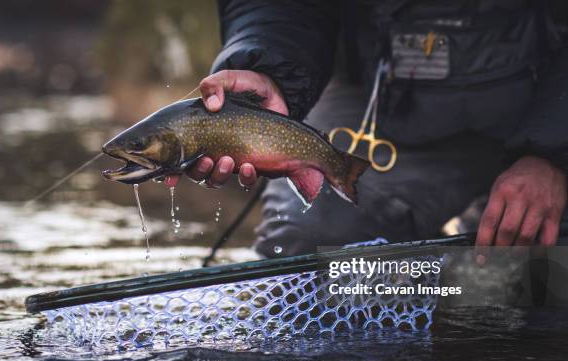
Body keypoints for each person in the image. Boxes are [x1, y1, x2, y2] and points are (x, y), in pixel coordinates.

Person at [167, 0, 568, 260]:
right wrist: (267, 66)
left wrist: (552, 152)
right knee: (305, 248)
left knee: (541, 283)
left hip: (551, 98)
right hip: (374, 94)